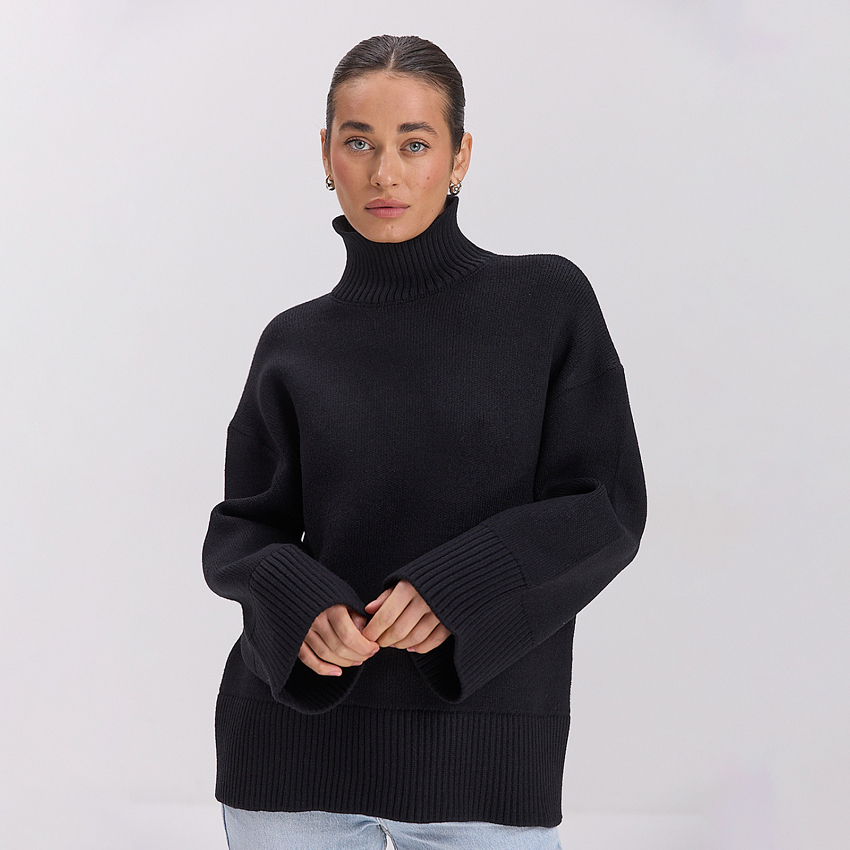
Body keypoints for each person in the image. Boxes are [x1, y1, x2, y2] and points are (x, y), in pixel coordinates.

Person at [202, 33, 647, 850]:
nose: (385, 173)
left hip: (481, 769)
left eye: (414, 143)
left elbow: (606, 510)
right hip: (288, 761)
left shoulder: (546, 302)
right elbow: (241, 532)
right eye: (359, 142)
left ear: (459, 155)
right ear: (326, 155)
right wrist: (301, 603)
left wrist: (457, 587)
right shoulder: (293, 342)